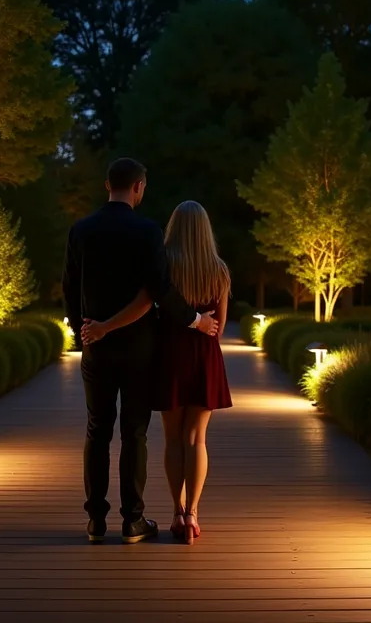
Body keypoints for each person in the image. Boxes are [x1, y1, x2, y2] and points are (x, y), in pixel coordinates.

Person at [62, 158, 220, 545]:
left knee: (96, 431)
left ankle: (95, 521)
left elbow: (69, 287)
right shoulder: (147, 231)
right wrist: (196, 321)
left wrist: (82, 329)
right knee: (134, 433)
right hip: (139, 350)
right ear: (138, 188)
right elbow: (159, 290)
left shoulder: (81, 230)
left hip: (95, 347)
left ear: (107, 185)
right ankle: (133, 521)